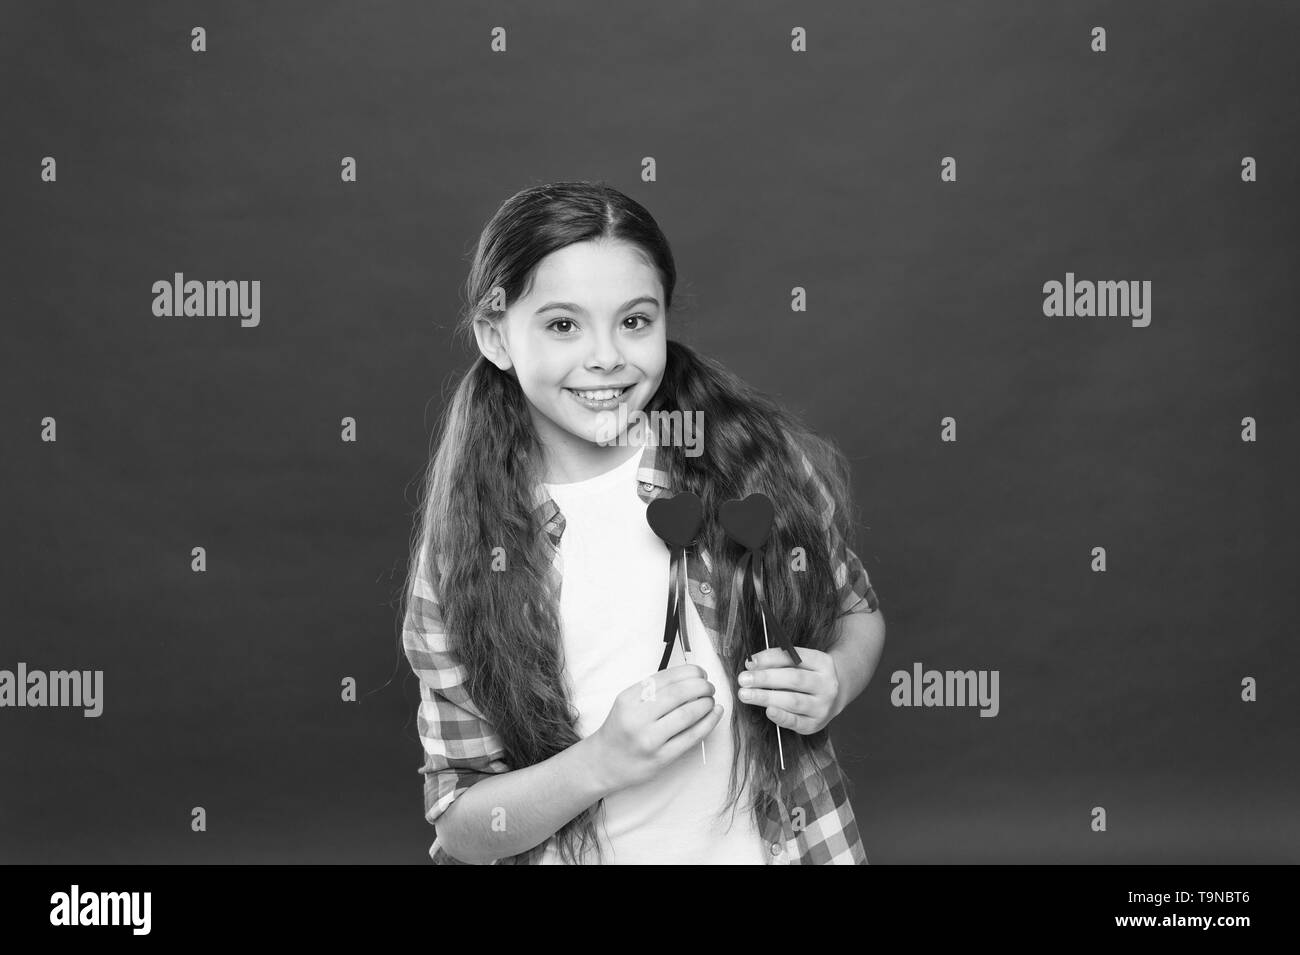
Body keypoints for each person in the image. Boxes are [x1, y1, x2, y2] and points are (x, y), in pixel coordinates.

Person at [400, 180, 887, 864]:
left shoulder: (746, 462)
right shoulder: (463, 553)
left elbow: (855, 612)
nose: (607, 356)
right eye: (563, 324)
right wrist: (597, 762)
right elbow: (463, 823)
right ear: (496, 336)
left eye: (634, 321)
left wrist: (833, 675)